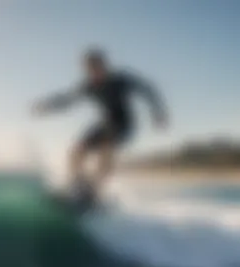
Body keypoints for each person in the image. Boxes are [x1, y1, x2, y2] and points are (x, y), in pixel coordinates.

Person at [31, 48, 170, 202]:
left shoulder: (120, 80)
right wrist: (46, 105)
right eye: (89, 69)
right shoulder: (89, 86)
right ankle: (75, 186)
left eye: (97, 67)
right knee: (77, 150)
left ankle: (94, 190)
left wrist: (158, 112)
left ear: (104, 65)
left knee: (107, 149)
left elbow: (147, 89)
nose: (94, 73)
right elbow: (67, 100)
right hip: (104, 124)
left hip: (124, 125)